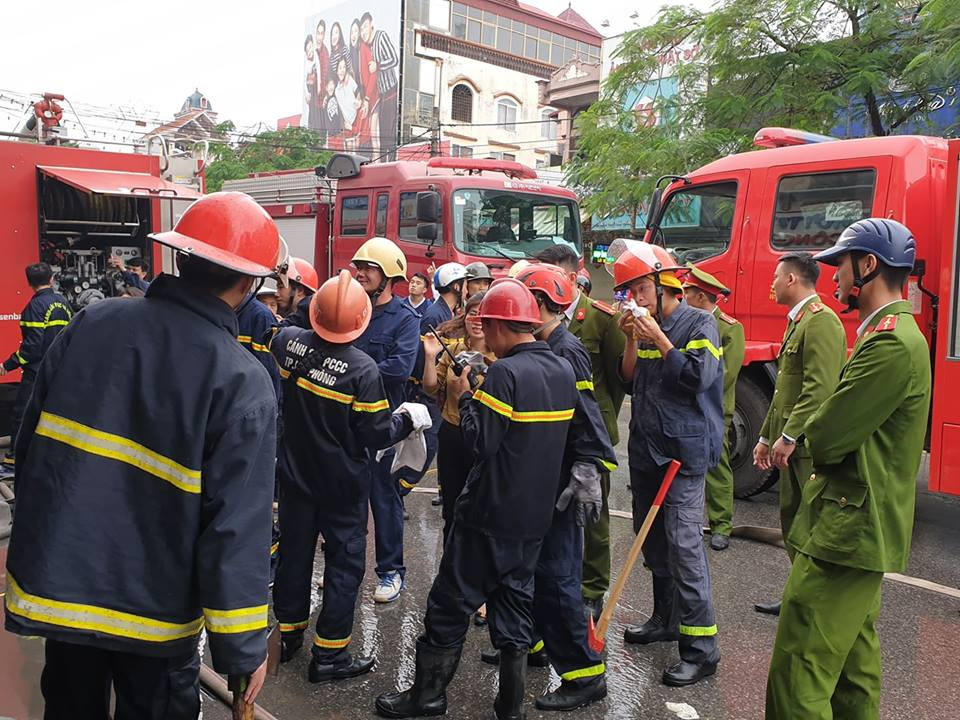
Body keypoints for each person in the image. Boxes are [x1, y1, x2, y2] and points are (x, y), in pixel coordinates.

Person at [3, 192, 285, 717]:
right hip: (153, 619)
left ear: (179, 258)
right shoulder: (241, 380)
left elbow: (32, 450)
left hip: (63, 592)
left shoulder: (92, 324)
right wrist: (243, 650)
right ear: (249, 283)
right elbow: (235, 530)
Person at [374, 278, 579, 720]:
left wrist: (463, 397)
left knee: (448, 606)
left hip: (488, 516)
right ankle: (510, 706)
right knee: (514, 609)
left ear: (502, 326)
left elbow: (480, 444)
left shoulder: (506, 373)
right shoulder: (562, 369)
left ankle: (427, 697)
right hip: (532, 521)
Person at [765, 219, 931, 719]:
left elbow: (828, 437)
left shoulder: (889, 342)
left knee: (800, 666)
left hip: (849, 526)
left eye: (840, 264)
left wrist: (809, 436)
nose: (833, 276)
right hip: (859, 523)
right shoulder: (892, 334)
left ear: (868, 265)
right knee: (854, 664)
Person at [271, 270, 417, 682]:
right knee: (344, 566)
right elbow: (376, 432)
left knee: (294, 557)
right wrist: (406, 421)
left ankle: (288, 634)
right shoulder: (362, 370)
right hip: (342, 486)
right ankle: (330, 655)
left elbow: (276, 335)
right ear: (361, 320)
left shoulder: (288, 343)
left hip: (296, 477)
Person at [481, 263, 614, 712]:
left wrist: (588, 465)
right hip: (542, 479)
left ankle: (585, 675)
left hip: (561, 483)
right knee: (538, 573)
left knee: (558, 580)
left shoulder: (566, 350)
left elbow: (586, 416)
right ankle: (534, 644)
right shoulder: (545, 346)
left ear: (536, 306)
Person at [615, 240, 723, 687]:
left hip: (683, 453)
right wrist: (629, 338)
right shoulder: (643, 327)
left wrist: (658, 338)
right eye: (628, 291)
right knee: (653, 542)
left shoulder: (700, 323)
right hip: (646, 449)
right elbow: (628, 378)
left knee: (684, 548)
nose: (634, 298)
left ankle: (702, 649)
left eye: (640, 288)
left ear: (665, 284)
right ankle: (665, 620)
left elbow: (699, 377)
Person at [534, 244, 625, 622]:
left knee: (594, 517)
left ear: (572, 277)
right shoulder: (536, 318)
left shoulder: (601, 318)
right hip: (550, 432)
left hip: (591, 432)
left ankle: (592, 589)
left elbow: (618, 380)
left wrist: (603, 423)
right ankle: (559, 585)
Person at [752, 252, 846, 616]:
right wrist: (764, 437)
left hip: (805, 449)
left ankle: (812, 602)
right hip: (791, 447)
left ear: (792, 279)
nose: (772, 284)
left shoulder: (820, 322)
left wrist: (789, 437)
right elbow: (783, 393)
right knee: (793, 523)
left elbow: (818, 390)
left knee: (808, 526)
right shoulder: (799, 321)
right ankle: (799, 594)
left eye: (776, 277)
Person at [351, 237, 420, 603]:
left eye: (369, 268)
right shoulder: (348, 309)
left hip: (384, 424)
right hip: (346, 422)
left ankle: (391, 571)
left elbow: (399, 368)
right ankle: (347, 566)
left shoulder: (405, 320)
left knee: (385, 499)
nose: (360, 272)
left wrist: (351, 372)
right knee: (348, 499)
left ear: (390, 276)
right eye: (358, 266)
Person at [680, 265, 745, 551]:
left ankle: (721, 525)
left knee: (716, 465)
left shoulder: (730, 329)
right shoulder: (684, 321)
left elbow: (725, 373)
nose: (682, 297)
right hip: (684, 407)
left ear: (702, 296)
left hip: (713, 408)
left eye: (687, 293)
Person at [421, 291, 494, 543]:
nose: (477, 320)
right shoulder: (453, 350)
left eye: (483, 315)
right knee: (452, 507)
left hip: (485, 437)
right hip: (453, 434)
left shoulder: (503, 356)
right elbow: (430, 388)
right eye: (472, 313)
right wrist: (430, 356)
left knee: (481, 508)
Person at [396, 263, 468, 497]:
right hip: (426, 391)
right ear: (456, 286)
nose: (467, 289)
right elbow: (422, 356)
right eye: (465, 283)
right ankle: (397, 489)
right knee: (427, 445)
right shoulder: (436, 314)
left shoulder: (445, 312)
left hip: (433, 391)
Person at [1, 263, 72, 468]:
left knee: (23, 415)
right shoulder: (63, 303)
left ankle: (13, 458)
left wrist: (8, 364)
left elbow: (32, 346)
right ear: (51, 279)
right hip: (59, 369)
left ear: (29, 283)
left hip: (36, 372)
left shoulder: (33, 307)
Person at [360, 11, 399, 159]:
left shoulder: (380, 37)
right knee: (382, 135)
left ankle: (390, 163)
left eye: (365, 27)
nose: (363, 31)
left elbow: (394, 59)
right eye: (361, 29)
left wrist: (378, 65)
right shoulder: (367, 46)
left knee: (388, 134)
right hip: (382, 94)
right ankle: (384, 164)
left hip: (391, 90)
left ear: (371, 25)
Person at [278, 257, 319, 329]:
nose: (276, 294)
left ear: (300, 290)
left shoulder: (305, 313)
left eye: (281, 287)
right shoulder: (311, 313)